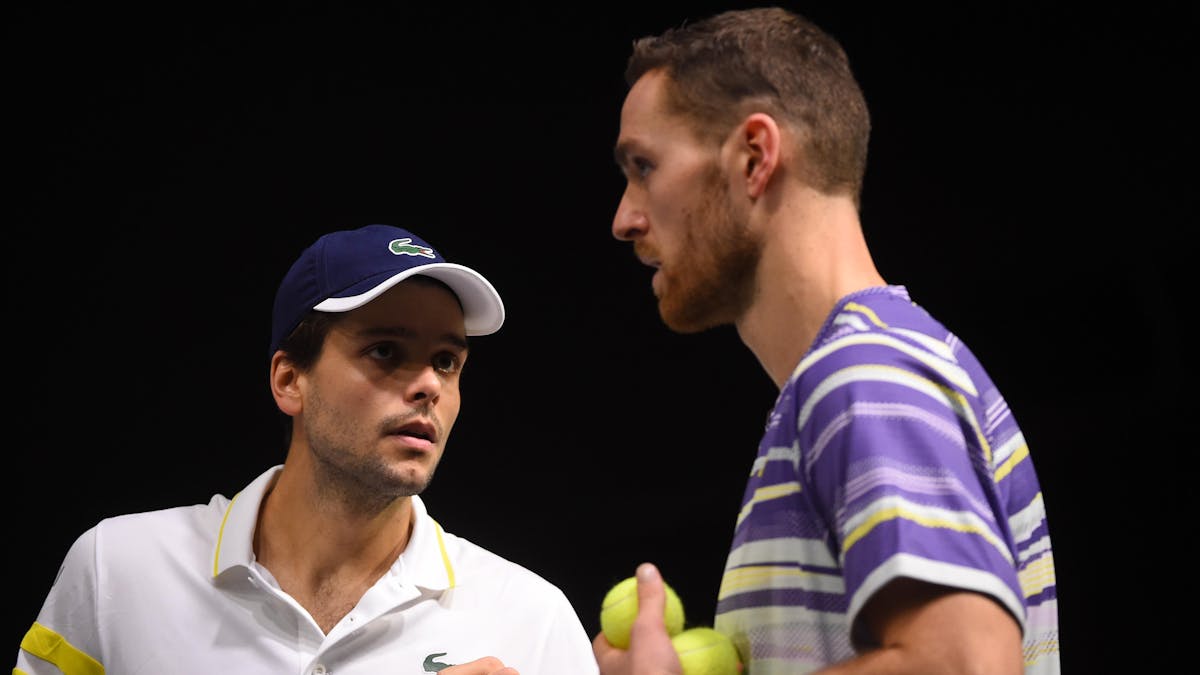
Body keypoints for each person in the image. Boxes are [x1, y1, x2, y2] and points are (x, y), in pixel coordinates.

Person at [594, 7, 1059, 675]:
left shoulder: (863, 374)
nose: (624, 217)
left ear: (754, 157)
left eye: (644, 166)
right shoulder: (871, 368)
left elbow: (966, 664)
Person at [15, 224, 600, 675]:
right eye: (385, 351)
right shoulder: (116, 569)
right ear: (289, 380)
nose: (429, 385)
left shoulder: (533, 620)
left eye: (447, 361)